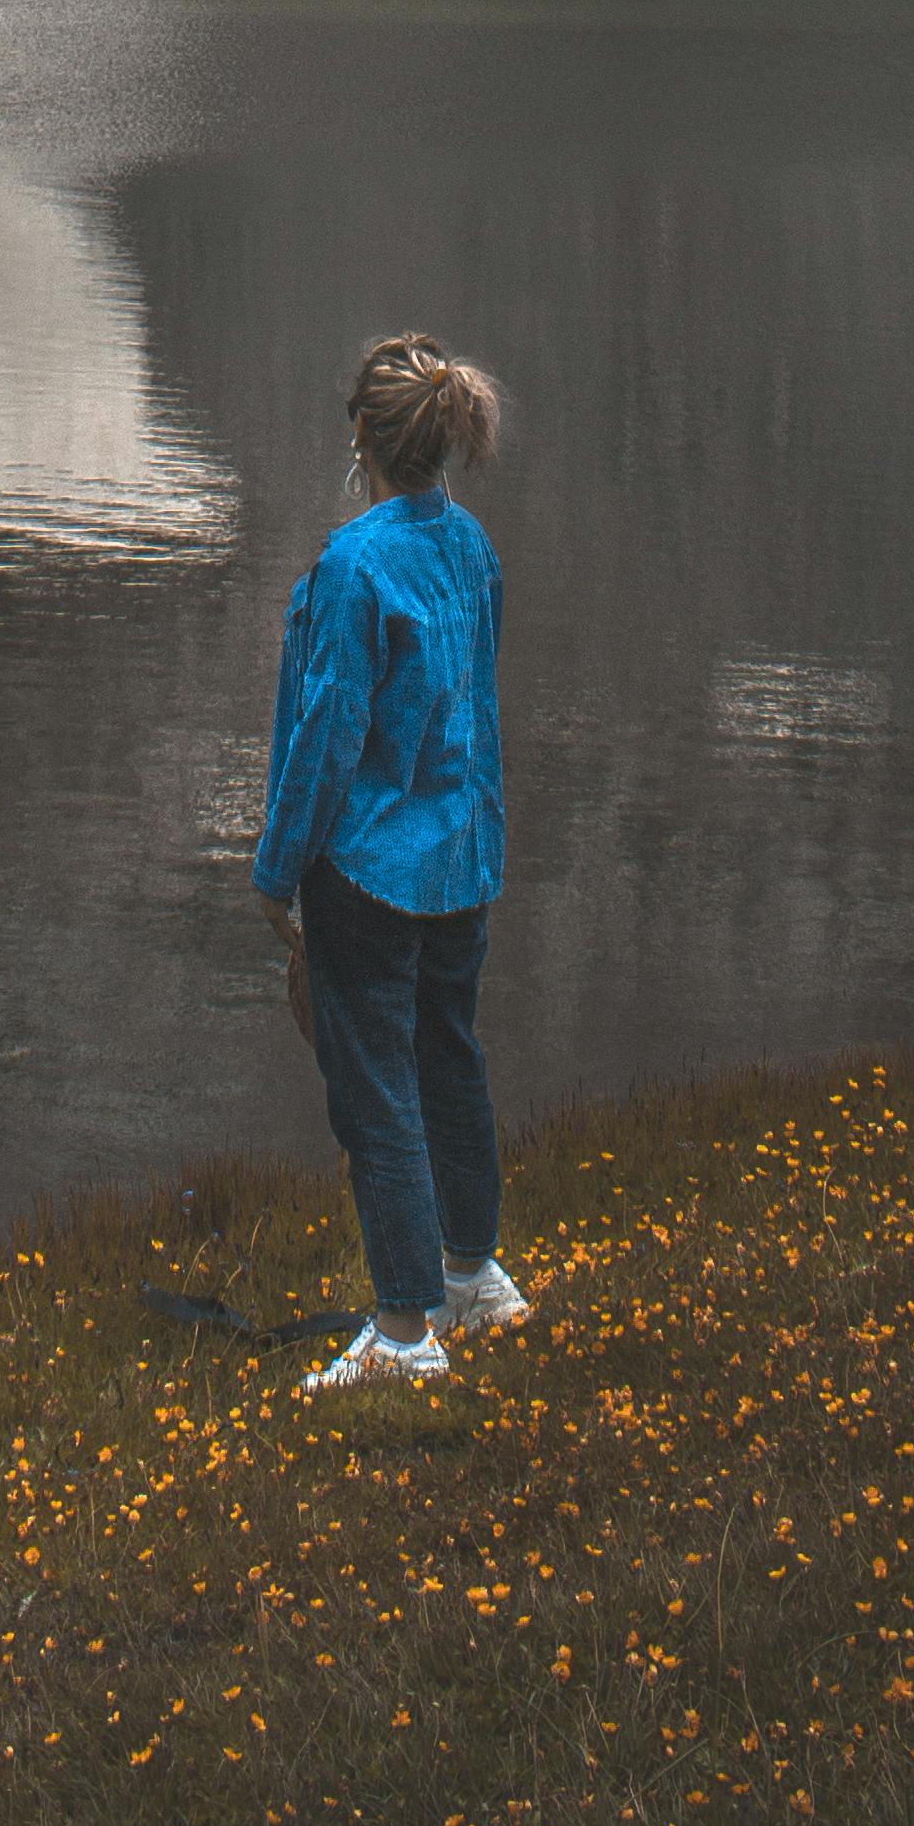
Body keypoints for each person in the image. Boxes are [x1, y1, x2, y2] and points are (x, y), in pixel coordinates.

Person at [251, 327, 530, 1391]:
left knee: (377, 1095)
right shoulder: (469, 549)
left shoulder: (353, 566)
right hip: (462, 859)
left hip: (368, 873)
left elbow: (326, 737)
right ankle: (473, 1273)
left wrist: (277, 870)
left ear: (361, 437)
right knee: (450, 1061)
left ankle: (406, 1332)